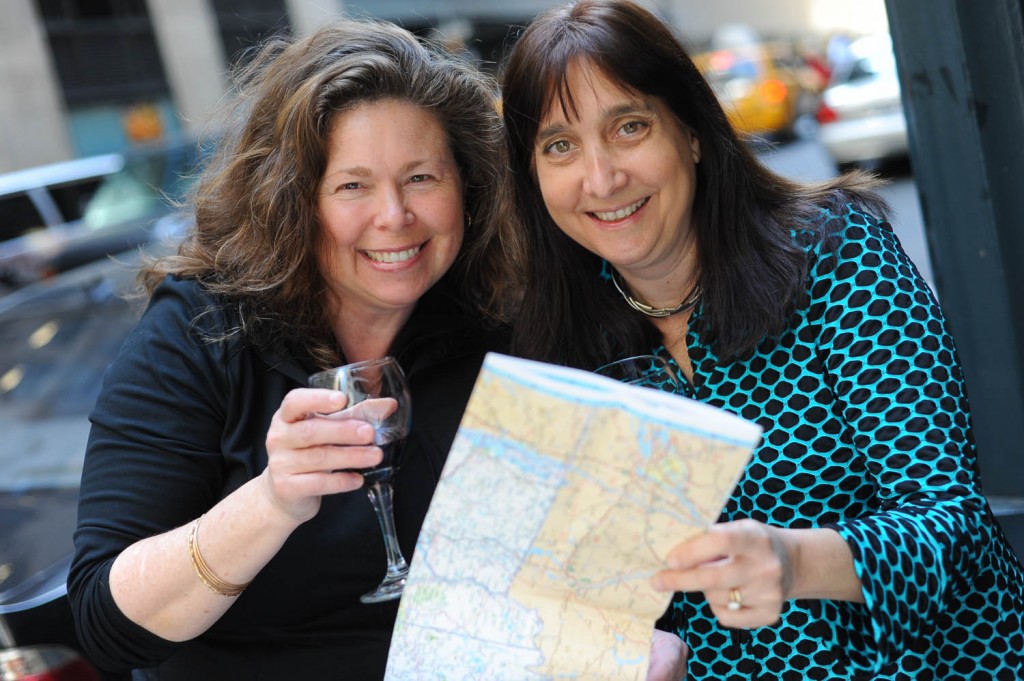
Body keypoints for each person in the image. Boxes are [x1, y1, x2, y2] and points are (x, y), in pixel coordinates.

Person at [499, 0, 1024, 678]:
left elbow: (953, 527)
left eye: (629, 127)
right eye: (560, 145)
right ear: (534, 176)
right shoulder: (559, 342)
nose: (600, 178)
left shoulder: (835, 254)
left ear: (690, 131)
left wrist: (791, 559)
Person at [68, 19, 515, 679]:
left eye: (422, 177)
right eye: (352, 185)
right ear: (293, 202)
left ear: (467, 189)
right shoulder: (200, 331)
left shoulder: (495, 325)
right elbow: (109, 628)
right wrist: (272, 500)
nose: (394, 215)